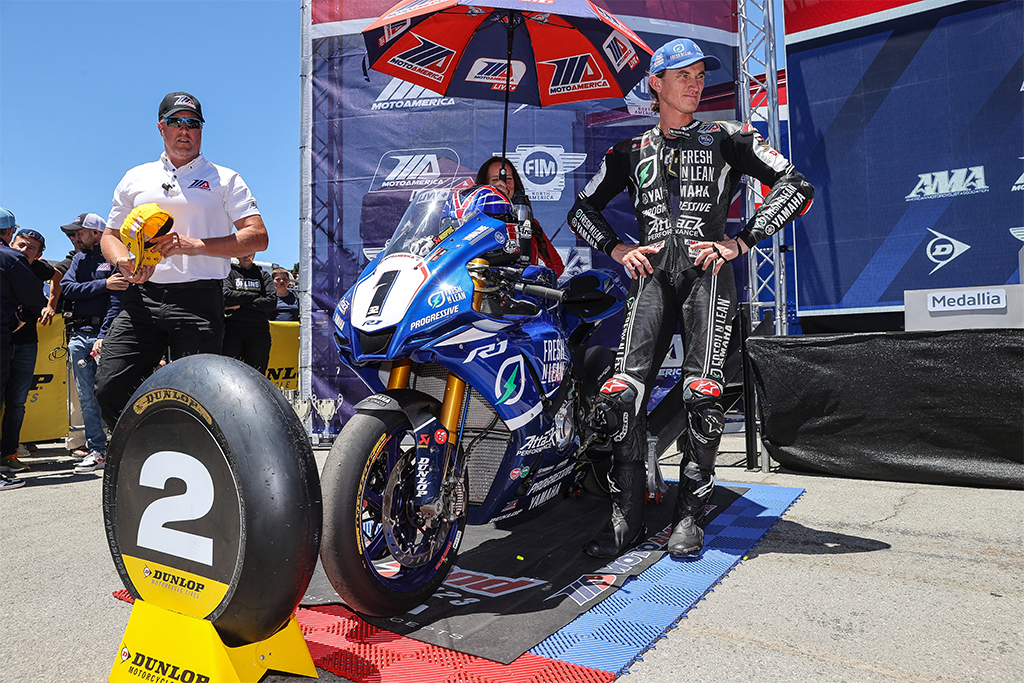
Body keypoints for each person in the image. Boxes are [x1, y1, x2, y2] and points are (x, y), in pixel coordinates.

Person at [568, 38, 814, 559]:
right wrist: (616, 247)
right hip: (652, 280)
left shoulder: (728, 136)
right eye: (683, 75)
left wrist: (739, 241)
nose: (696, 84)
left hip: (707, 278)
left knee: (702, 395)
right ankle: (625, 517)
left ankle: (689, 518)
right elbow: (579, 212)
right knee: (621, 395)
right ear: (656, 84)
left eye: (701, 75)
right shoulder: (628, 152)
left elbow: (798, 186)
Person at [95, 91, 268, 436]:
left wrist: (195, 246)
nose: (184, 130)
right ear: (161, 127)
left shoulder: (225, 178)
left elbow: (258, 237)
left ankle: (191, 464)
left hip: (199, 301)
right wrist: (123, 263)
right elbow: (109, 236)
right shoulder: (135, 177)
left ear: (201, 130)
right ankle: (143, 452)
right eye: (176, 122)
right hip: (142, 298)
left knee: (199, 397)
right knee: (109, 386)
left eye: (193, 123)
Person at [59, 213, 127, 473]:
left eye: (80, 232)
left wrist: (104, 335)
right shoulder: (78, 259)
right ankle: (97, 450)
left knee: (111, 392)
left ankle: (122, 448)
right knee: (87, 398)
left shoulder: (116, 257)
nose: (75, 237)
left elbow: (117, 301)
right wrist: (104, 284)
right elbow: (68, 289)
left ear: (97, 233)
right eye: (73, 233)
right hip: (79, 335)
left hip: (107, 335)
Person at [0, 229, 61, 474]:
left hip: (25, 344)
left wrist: (50, 305)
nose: (25, 251)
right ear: (11, 243)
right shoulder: (7, 260)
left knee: (16, 403)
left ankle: (8, 454)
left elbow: (57, 277)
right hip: (4, 342)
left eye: (31, 248)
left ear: (39, 255)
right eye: (21, 245)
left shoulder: (37, 268)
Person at [476, 157, 565, 277]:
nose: (502, 184)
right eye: (495, 179)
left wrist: (536, 285)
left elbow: (556, 265)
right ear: (484, 186)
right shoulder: (474, 221)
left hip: (521, 293)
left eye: (508, 179)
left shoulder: (528, 221)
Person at [222, 253, 275, 373]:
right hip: (232, 331)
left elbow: (271, 303)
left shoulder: (263, 275)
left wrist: (241, 304)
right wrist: (256, 296)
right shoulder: (229, 273)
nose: (247, 255)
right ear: (237, 253)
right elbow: (226, 297)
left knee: (258, 374)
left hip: (258, 331)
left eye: (251, 251)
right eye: (244, 251)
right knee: (230, 372)